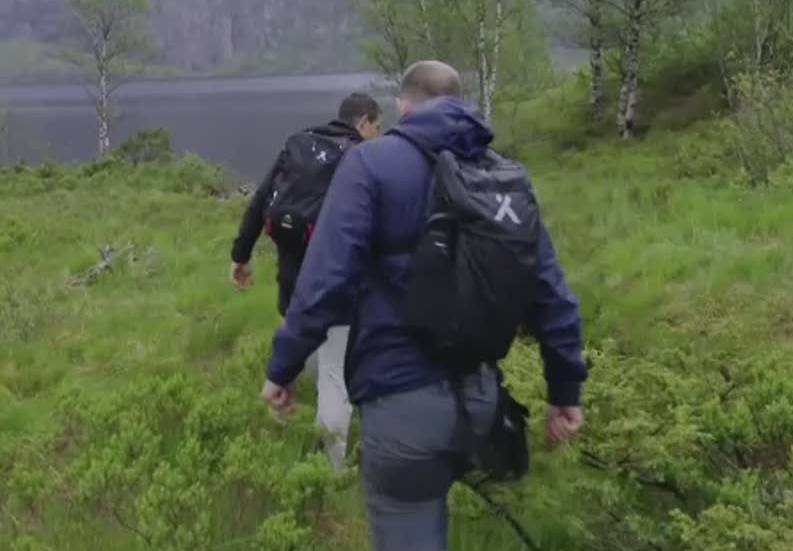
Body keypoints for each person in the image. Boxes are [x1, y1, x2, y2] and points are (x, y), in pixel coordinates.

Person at [261, 61, 588, 550]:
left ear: (403, 105)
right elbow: (552, 294)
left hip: (401, 406)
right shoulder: (503, 173)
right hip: (483, 402)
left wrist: (283, 368)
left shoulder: (370, 164)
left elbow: (325, 279)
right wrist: (565, 391)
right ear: (460, 101)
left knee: (410, 518)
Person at [231, 91, 382, 472]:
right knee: (334, 377)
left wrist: (241, 256)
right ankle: (330, 472)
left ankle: (288, 421)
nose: (379, 135)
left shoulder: (298, 143)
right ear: (363, 122)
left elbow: (260, 200)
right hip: (337, 289)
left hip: (293, 286)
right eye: (378, 126)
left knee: (310, 361)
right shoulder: (361, 157)